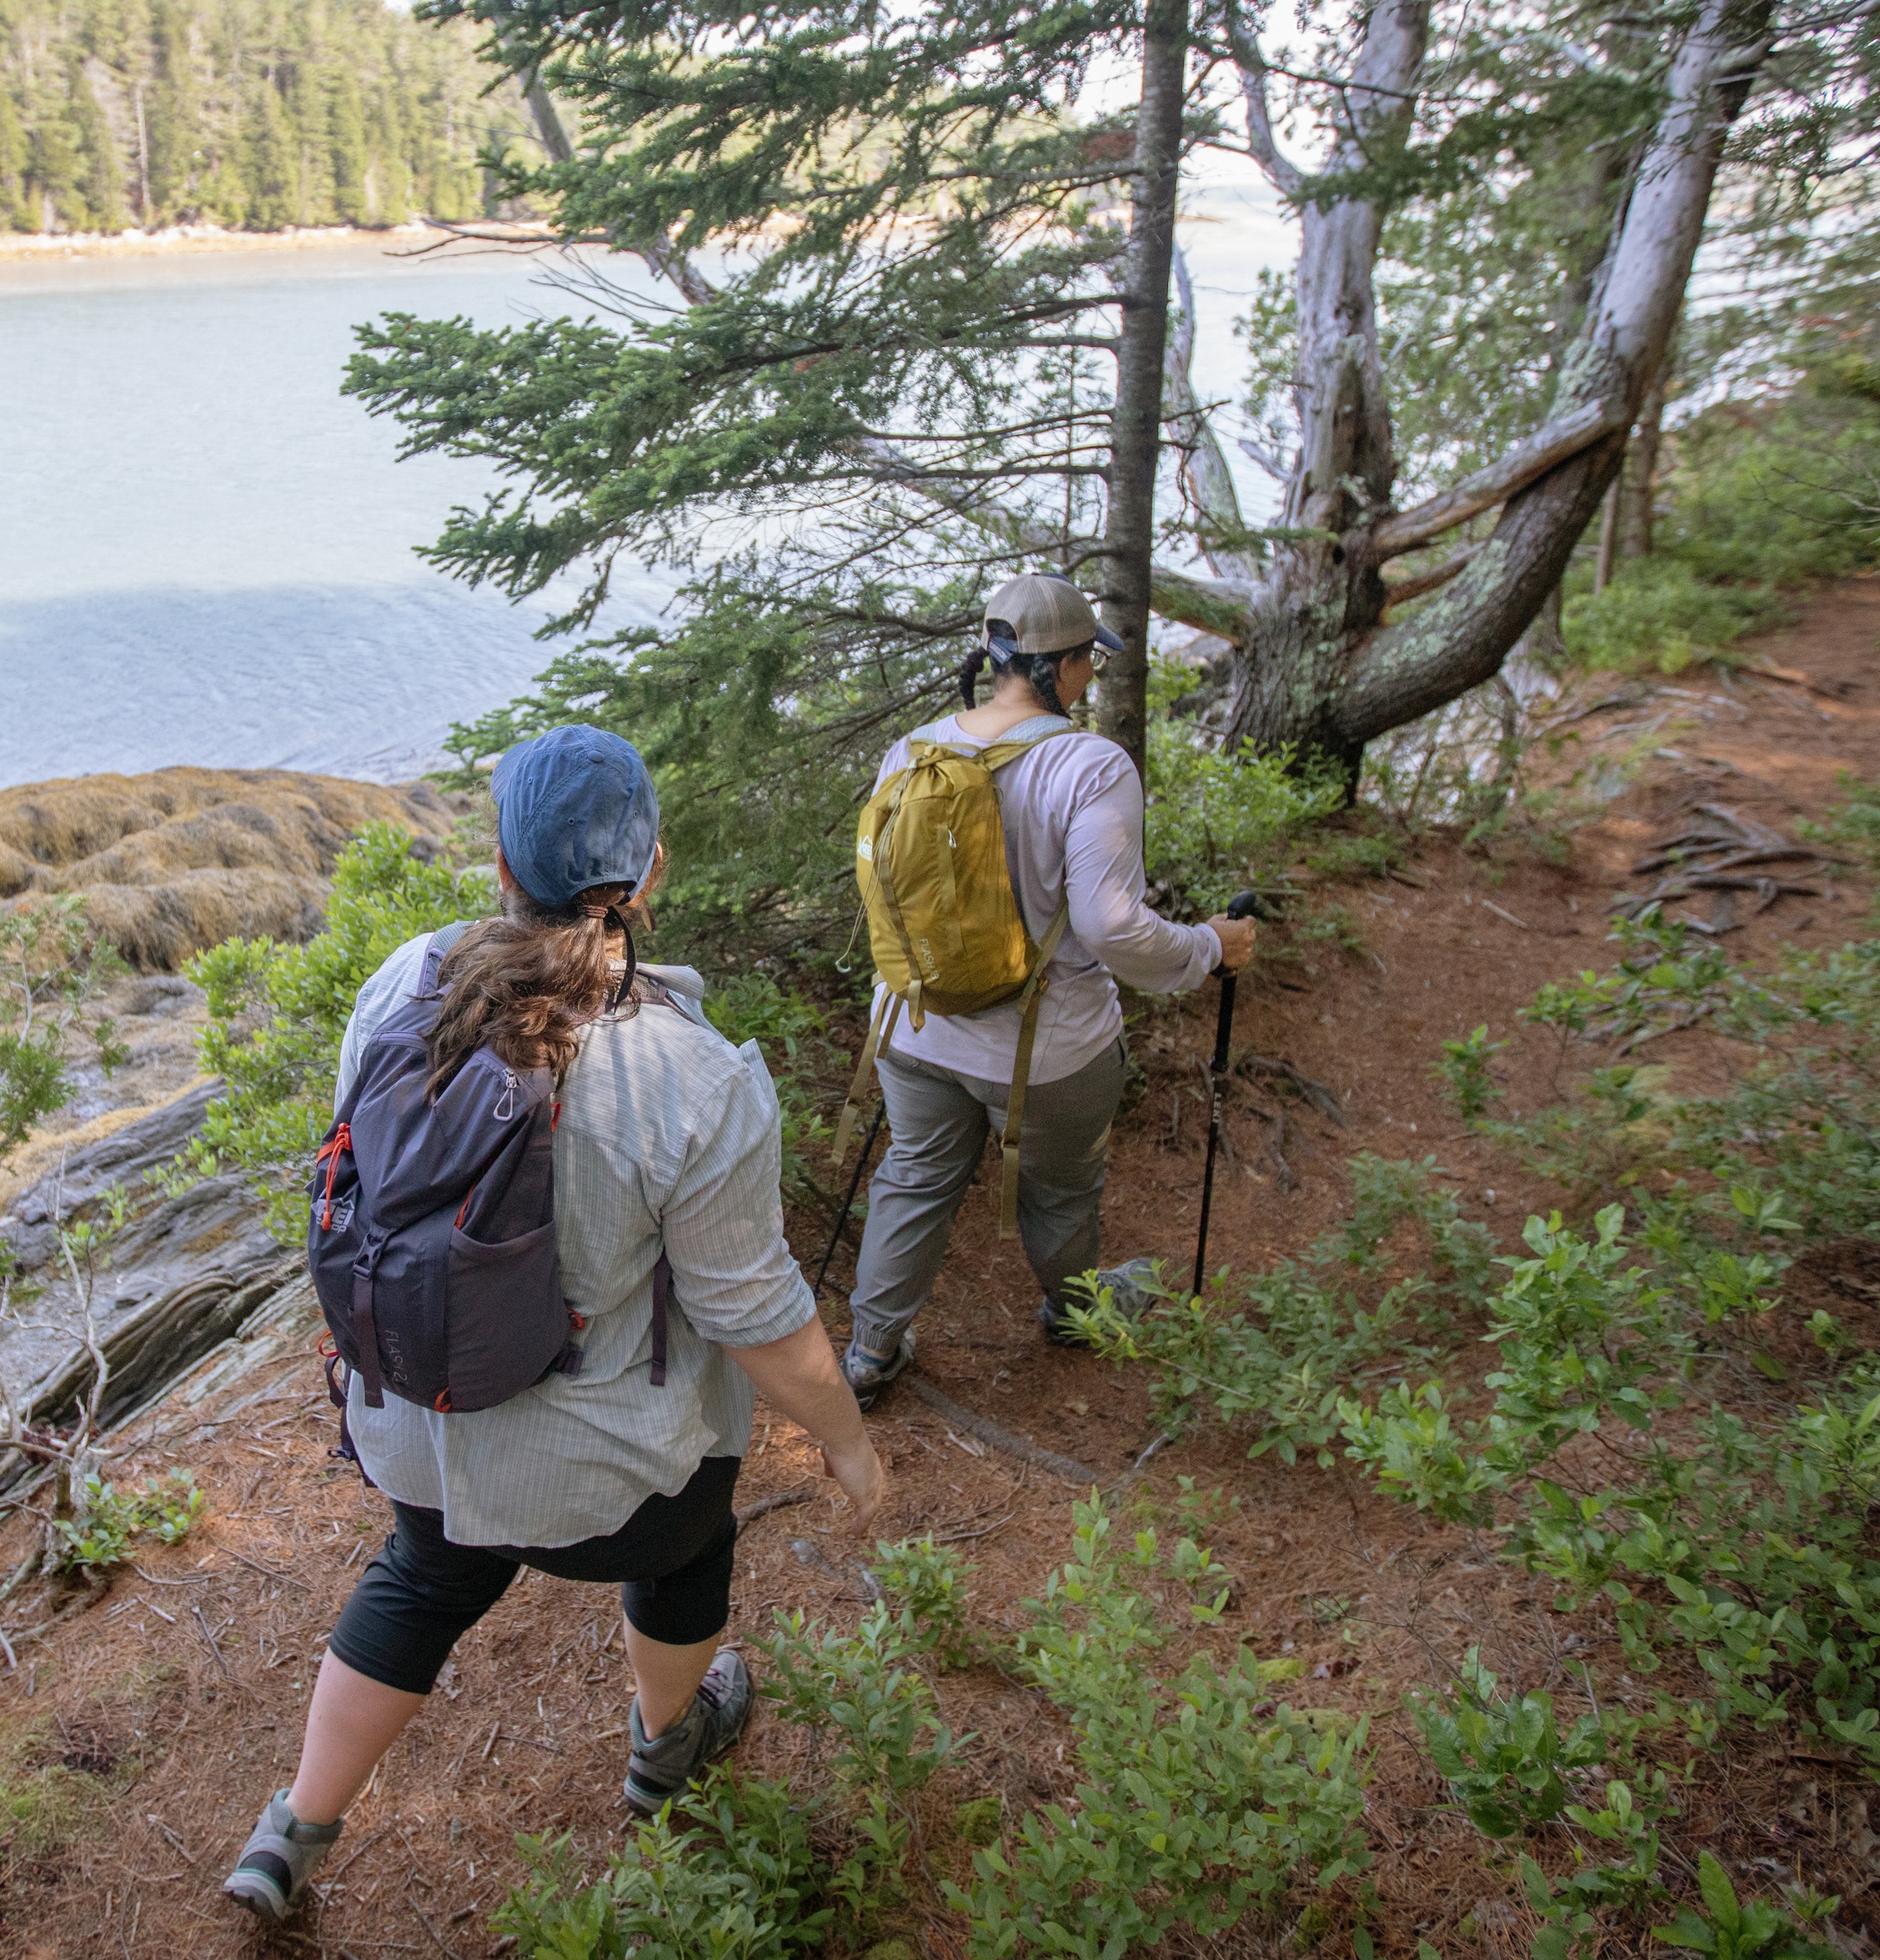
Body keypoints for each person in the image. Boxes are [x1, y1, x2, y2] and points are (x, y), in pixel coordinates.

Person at [221, 724, 890, 1926]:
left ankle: (292, 1831)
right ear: (649, 876)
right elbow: (755, 1315)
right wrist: (846, 1440)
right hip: (609, 1498)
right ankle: (665, 1745)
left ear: (499, 866)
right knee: (695, 1541)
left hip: (419, 1430)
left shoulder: (398, 985)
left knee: (422, 1572)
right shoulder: (696, 1074)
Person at [840, 574, 1258, 1397]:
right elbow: (1110, 928)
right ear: (1062, 666)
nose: (1090, 677)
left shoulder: (913, 748)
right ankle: (1072, 1314)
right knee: (1062, 1189)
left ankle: (869, 1352)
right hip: (1046, 1052)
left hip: (913, 1027)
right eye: (1087, 663)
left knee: (916, 1173)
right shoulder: (1090, 765)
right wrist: (1208, 946)